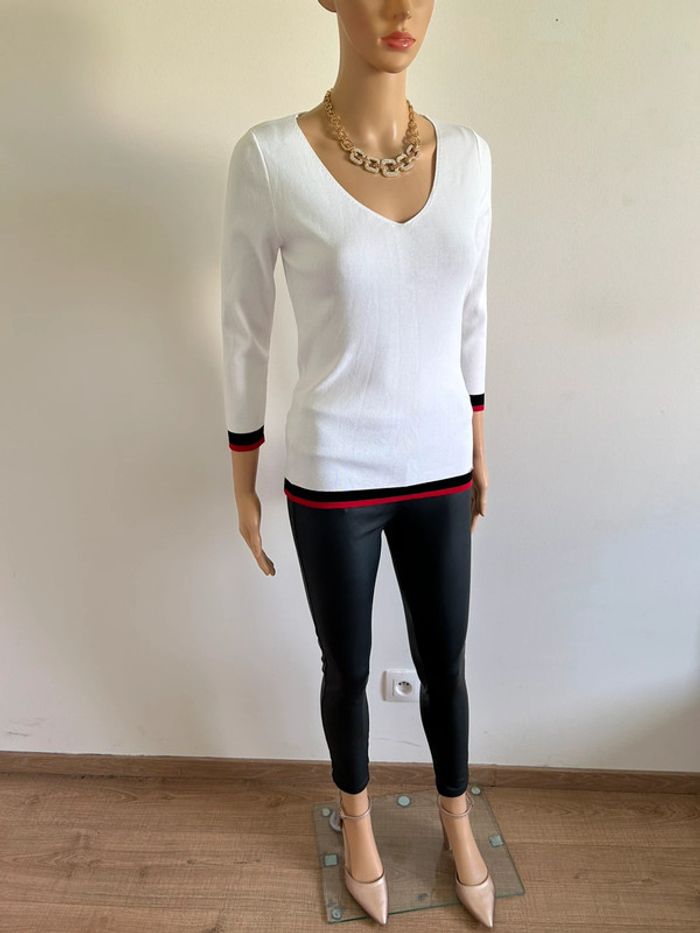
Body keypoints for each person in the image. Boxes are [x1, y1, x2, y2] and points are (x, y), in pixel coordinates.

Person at [220, 1, 495, 926]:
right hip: (335, 466)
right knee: (347, 663)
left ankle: (458, 819)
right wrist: (243, 467)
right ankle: (359, 817)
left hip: (441, 461)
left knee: (446, 662)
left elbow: (474, 311)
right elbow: (245, 326)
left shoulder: (470, 157)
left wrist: (478, 436)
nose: (402, 8)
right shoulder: (271, 158)